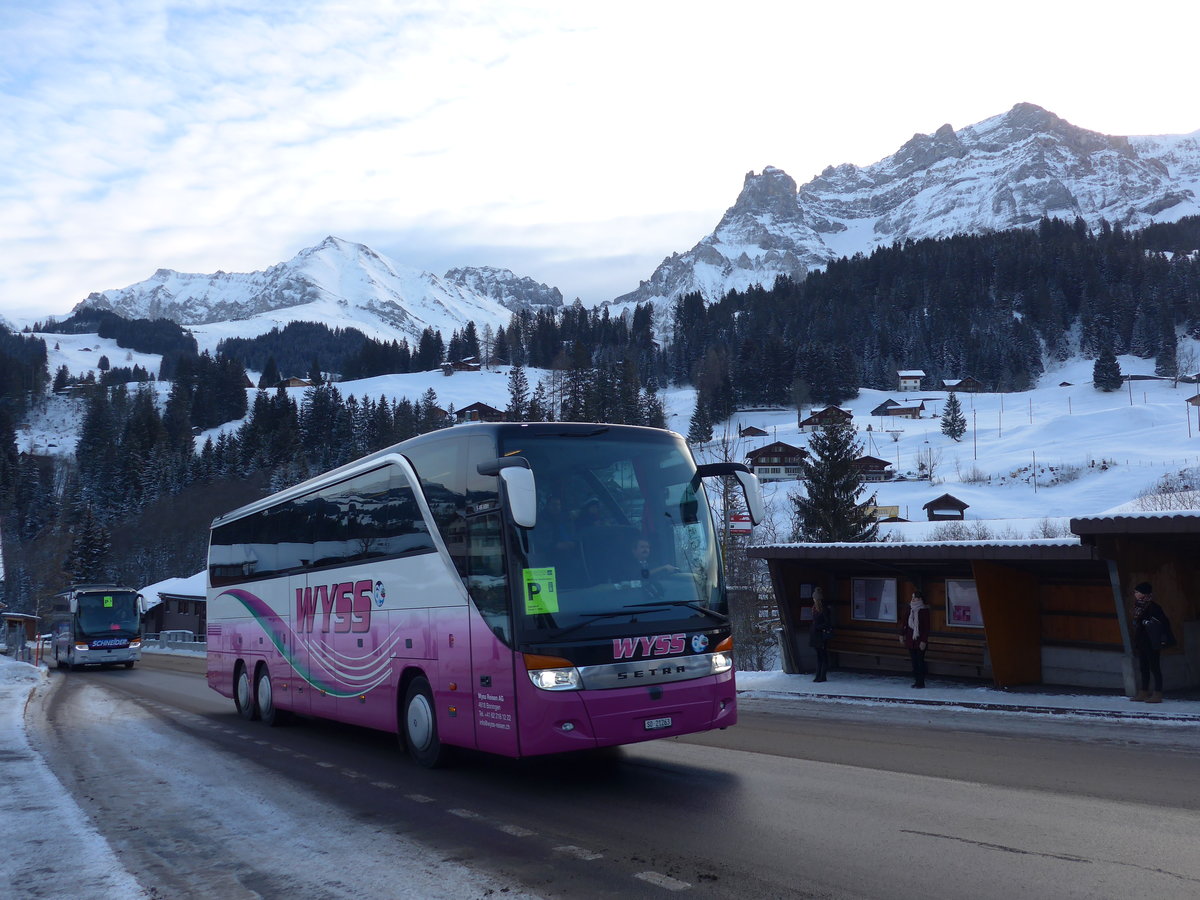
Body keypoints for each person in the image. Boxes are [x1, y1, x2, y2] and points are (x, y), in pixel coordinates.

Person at [1130, 582, 1168, 703]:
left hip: (1152, 642)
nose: (1135, 594)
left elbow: (1162, 623)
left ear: (1144, 594)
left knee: (1154, 667)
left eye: (1137, 592)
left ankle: (1157, 693)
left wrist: (1147, 623)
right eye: (1135, 592)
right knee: (1143, 667)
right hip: (1142, 641)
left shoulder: (1153, 607)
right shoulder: (1138, 606)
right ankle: (1143, 691)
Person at [900, 590, 931, 688]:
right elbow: (904, 622)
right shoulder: (909, 609)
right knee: (914, 662)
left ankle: (921, 682)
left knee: (920, 661)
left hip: (919, 640)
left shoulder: (924, 611)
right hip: (910, 640)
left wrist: (924, 641)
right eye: (912, 597)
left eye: (915, 597)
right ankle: (916, 680)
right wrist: (902, 634)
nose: (913, 599)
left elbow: (926, 627)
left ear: (920, 599)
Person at [809, 587, 833, 683]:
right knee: (820, 655)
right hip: (816, 635)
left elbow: (827, 622)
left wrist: (817, 627)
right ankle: (819, 675)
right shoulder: (815, 608)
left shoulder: (823, 609)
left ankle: (822, 676)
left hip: (820, 635)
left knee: (822, 656)